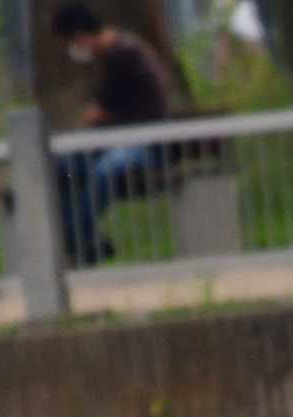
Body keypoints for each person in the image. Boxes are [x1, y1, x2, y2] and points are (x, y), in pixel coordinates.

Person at [50, 2, 179, 266]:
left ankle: (74, 241)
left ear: (80, 36)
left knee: (103, 172)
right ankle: (85, 240)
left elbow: (98, 113)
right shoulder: (119, 51)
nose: (73, 51)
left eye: (70, 44)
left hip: (149, 144)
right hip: (122, 140)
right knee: (64, 167)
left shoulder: (124, 54)